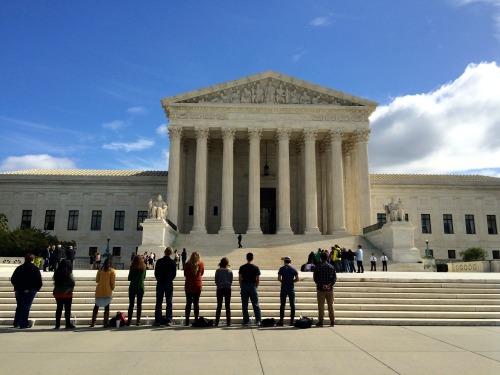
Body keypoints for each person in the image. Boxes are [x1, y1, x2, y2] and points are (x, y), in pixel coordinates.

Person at [11, 253, 43, 329]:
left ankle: (16, 322)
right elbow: (39, 281)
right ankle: (23, 323)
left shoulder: (19, 268)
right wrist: (36, 288)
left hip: (19, 289)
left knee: (19, 306)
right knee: (26, 306)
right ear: (33, 259)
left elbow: (13, 279)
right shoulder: (35, 268)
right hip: (30, 290)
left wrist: (17, 286)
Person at [154, 247, 177, 326]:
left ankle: (158, 320)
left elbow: (156, 273)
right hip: (168, 283)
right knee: (169, 302)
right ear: (171, 253)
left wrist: (159, 279)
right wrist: (169, 279)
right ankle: (168, 320)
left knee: (159, 302)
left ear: (164, 252)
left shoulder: (159, 261)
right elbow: (174, 274)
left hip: (160, 283)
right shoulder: (173, 262)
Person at [90, 257, 116, 327]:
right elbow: (112, 283)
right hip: (107, 291)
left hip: (99, 290)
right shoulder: (112, 271)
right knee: (107, 307)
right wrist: (112, 288)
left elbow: (97, 280)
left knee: (96, 306)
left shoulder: (100, 270)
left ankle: (93, 322)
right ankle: (105, 323)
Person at [313, 252, 337, 327]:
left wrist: (322, 285)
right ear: (327, 258)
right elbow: (334, 278)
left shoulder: (317, 267)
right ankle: (332, 321)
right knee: (331, 305)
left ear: (321, 258)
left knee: (321, 306)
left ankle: (321, 321)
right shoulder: (331, 267)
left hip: (321, 289)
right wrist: (329, 285)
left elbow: (315, 278)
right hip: (330, 290)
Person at [238, 252, 262, 326]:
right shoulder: (256, 267)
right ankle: (258, 320)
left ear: (246, 258)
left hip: (244, 286)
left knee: (244, 305)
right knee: (255, 304)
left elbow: (240, 278)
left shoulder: (242, 267)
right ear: (252, 258)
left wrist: (241, 285)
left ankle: (246, 321)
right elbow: (257, 279)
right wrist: (256, 286)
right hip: (252, 286)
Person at [52, 259, 75, 329]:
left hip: (57, 293)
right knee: (67, 309)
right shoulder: (69, 273)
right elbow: (73, 282)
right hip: (67, 293)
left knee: (59, 308)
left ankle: (57, 324)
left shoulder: (57, 272)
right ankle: (67, 324)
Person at [277, 256, 299, 326]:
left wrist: (283, 281)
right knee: (292, 305)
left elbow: (279, 278)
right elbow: (297, 279)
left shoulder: (282, 269)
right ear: (290, 262)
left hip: (283, 288)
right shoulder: (293, 269)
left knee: (282, 305)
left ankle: (281, 321)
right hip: (291, 288)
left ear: (284, 262)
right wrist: (292, 281)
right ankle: (291, 321)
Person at [184, 251, 204, 326]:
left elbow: (185, 274)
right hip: (197, 285)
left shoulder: (187, 264)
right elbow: (202, 273)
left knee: (188, 303)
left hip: (189, 285)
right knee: (196, 303)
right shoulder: (201, 264)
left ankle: (187, 321)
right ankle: (196, 320)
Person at [127, 255, 147, 326]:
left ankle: (129, 321)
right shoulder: (144, 267)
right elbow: (144, 277)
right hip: (140, 287)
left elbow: (129, 278)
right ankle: (138, 321)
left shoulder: (132, 267)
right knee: (139, 305)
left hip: (132, 287)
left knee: (131, 305)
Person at [214, 257, 233, 326]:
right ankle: (228, 322)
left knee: (219, 305)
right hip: (227, 288)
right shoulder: (230, 271)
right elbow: (231, 280)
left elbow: (216, 280)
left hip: (220, 288)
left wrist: (219, 284)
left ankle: (216, 322)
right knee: (227, 305)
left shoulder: (218, 271)